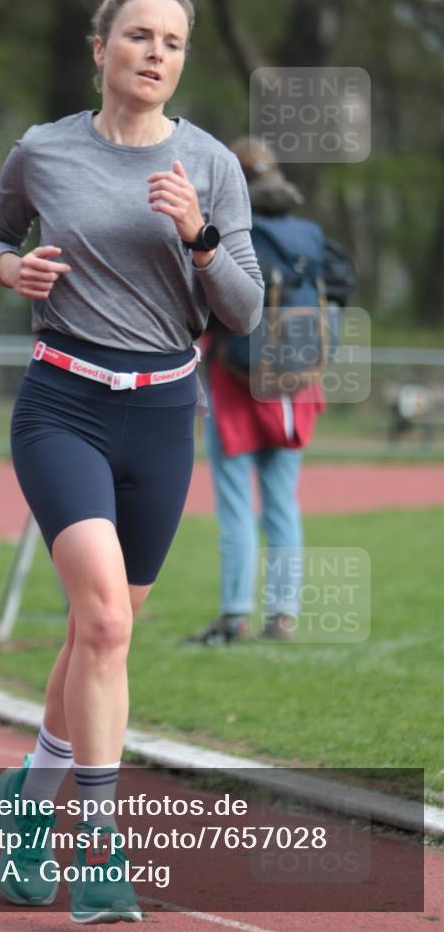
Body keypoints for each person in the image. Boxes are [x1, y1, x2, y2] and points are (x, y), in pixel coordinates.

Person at [0, 0, 263, 923]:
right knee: (101, 623)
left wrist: (201, 238)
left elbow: (247, 311)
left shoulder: (210, 166)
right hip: (63, 404)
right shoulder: (44, 150)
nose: (155, 53)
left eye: (173, 42)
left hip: (159, 415)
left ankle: (30, 793)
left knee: (106, 628)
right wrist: (7, 266)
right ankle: (97, 846)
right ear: (101, 50)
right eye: (139, 35)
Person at [184, 137, 327, 647]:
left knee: (234, 500)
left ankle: (234, 614)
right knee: (282, 501)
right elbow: (343, 285)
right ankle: (283, 614)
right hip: (296, 385)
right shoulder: (310, 234)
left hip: (236, 382)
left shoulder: (226, 235)